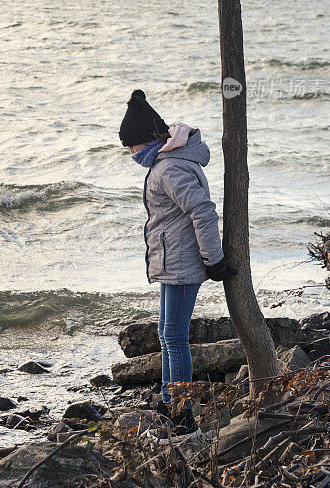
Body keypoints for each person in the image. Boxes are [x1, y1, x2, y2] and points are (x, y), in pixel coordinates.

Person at [119, 88, 237, 437]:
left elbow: (202, 211)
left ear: (149, 140)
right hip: (173, 261)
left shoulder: (169, 168)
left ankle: (181, 412)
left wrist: (214, 261)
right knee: (166, 333)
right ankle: (170, 402)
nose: (131, 154)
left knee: (174, 337)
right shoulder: (166, 162)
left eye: (132, 146)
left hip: (183, 264)